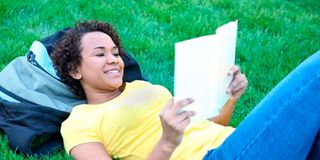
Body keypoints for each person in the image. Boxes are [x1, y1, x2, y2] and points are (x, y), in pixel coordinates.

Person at [51, 20, 319, 159]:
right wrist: (167, 141)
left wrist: (230, 99)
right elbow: (179, 140)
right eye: (100, 54)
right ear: (76, 70)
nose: (114, 59)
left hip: (236, 143)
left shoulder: (141, 86)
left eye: (115, 52)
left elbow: (205, 125)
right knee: (314, 72)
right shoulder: (79, 122)